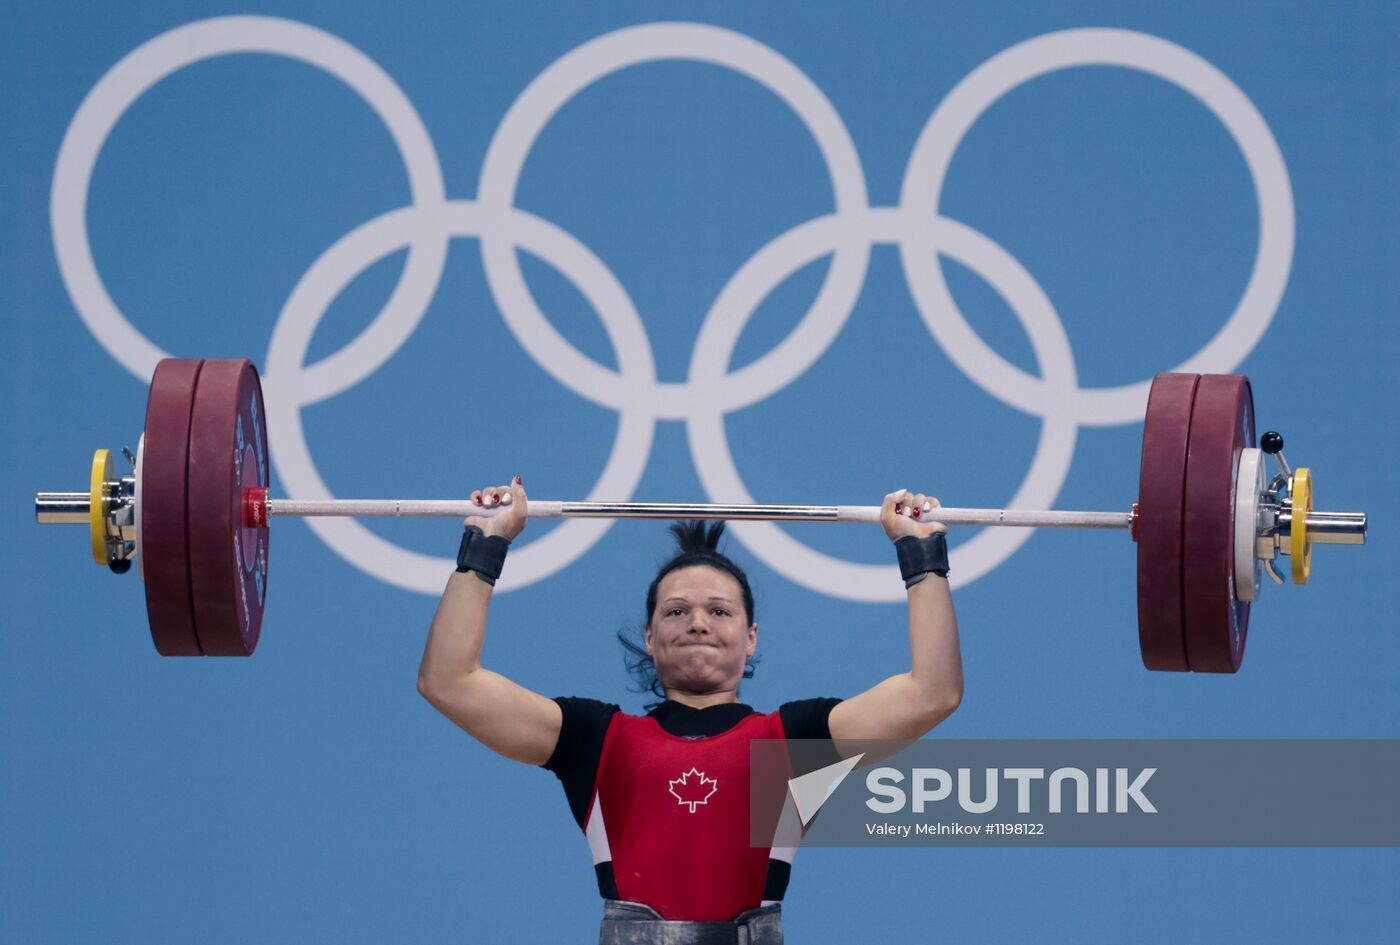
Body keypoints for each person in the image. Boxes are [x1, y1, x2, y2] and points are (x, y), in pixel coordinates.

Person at [418, 476, 962, 944]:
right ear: (651, 638)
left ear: (750, 638)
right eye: (677, 611)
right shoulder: (596, 739)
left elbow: (932, 693)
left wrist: (920, 554)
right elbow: (450, 681)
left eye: (719, 611)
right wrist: (485, 544)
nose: (698, 623)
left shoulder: (793, 744)